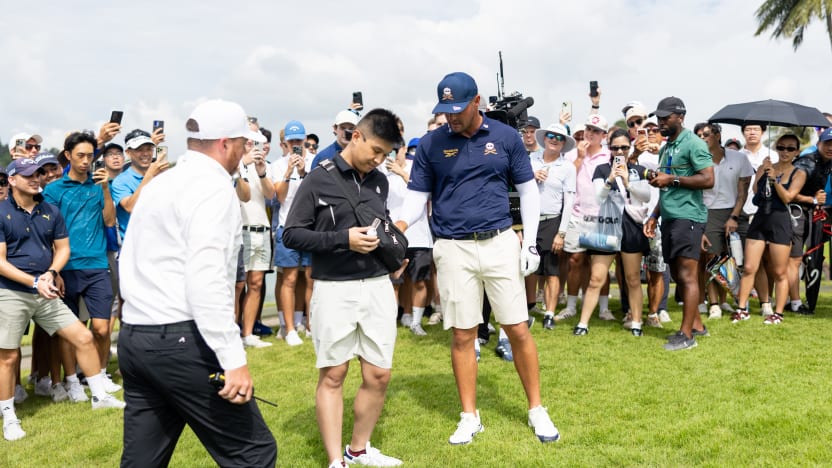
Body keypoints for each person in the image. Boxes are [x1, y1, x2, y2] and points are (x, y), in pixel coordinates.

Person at [396, 72, 559, 445]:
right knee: (462, 334)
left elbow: (528, 191)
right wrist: (400, 225)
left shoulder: (505, 137)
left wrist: (531, 244)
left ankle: (536, 409)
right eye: (446, 110)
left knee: (517, 328)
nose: (451, 117)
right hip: (453, 247)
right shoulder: (432, 143)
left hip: (500, 241)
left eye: (458, 109)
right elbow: (417, 196)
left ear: (476, 102)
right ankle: (469, 416)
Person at [118, 99, 277, 467]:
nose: (245, 150)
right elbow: (206, 278)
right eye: (243, 142)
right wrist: (233, 358)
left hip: (136, 337)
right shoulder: (214, 189)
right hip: (182, 338)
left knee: (142, 460)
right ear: (225, 143)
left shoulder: (161, 183)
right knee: (254, 454)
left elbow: (130, 258)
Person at [283, 108, 405, 468]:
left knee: (379, 374)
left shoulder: (380, 181)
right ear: (356, 137)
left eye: (385, 154)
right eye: (376, 150)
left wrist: (392, 251)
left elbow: (382, 223)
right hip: (334, 287)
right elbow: (292, 234)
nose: (379, 160)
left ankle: (359, 449)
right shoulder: (318, 178)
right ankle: (336, 460)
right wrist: (343, 239)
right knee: (334, 374)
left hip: (378, 284)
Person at [1, 158, 125, 441]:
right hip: (11, 291)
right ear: (12, 180)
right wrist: (35, 281)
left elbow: (63, 249)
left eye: (38, 174)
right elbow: (0, 262)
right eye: (28, 175)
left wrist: (51, 272)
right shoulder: (0, 212)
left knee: (83, 337)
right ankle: (9, 416)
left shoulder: (50, 210)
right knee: (8, 356)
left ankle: (99, 396)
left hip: (45, 288)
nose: (36, 178)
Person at [43, 132, 123, 401]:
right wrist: (54, 270)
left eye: (90, 156)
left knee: (101, 328)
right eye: (80, 155)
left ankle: (98, 375)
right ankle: (72, 382)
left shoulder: (99, 185)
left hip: (98, 264)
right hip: (66, 267)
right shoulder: (54, 190)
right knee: (70, 330)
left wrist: (105, 189)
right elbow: (48, 231)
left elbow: (109, 221)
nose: (86, 161)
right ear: (68, 156)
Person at [643, 97, 714, 351]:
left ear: (680, 117)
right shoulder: (666, 148)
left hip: (688, 216)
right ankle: (697, 326)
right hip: (670, 217)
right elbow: (666, 187)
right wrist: (654, 215)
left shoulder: (693, 143)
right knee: (678, 275)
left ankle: (686, 335)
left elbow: (708, 179)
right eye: (659, 118)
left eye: (666, 117)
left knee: (687, 275)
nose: (661, 122)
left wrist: (671, 179)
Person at [573, 129, 651, 336]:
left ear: (630, 148)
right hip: (606, 226)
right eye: (615, 147)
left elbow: (646, 196)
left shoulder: (638, 170)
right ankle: (582, 323)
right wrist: (610, 179)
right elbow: (599, 197)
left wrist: (627, 183)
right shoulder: (601, 169)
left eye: (624, 147)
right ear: (609, 148)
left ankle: (636, 322)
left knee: (632, 278)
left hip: (631, 227)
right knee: (595, 279)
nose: (620, 151)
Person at [734, 134, 806, 325]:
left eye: (790, 148)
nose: (785, 152)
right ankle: (742, 309)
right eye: (781, 147)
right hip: (760, 219)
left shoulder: (799, 173)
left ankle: (778, 313)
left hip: (780, 221)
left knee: (779, 271)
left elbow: (788, 197)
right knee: (749, 267)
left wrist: (775, 180)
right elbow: (756, 192)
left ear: (796, 152)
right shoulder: (765, 167)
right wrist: (763, 172)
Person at [697, 123, 753, 319]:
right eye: (699, 136)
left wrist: (734, 217)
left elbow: (743, 192)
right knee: (713, 259)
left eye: (706, 135)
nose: (702, 139)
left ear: (717, 135)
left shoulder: (739, 158)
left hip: (735, 210)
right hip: (709, 212)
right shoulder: (696, 159)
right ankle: (714, 304)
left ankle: (737, 299)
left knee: (741, 259)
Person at [530, 123, 576, 330]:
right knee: (527, 268)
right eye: (551, 135)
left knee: (552, 270)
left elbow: (569, 201)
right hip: (529, 220)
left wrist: (561, 233)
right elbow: (517, 185)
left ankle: (549, 313)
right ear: (544, 138)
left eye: (559, 137)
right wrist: (532, 177)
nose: (554, 140)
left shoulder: (568, 167)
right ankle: (527, 307)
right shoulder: (531, 159)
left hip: (552, 221)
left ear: (564, 143)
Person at [273, 120, 313, 346]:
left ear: (305, 140)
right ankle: (289, 329)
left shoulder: (314, 161)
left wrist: (303, 171)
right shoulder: (278, 165)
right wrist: (289, 171)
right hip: (287, 227)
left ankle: (310, 325)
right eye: (291, 141)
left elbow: (316, 192)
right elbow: (279, 196)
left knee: (310, 278)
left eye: (299, 140)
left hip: (310, 228)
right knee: (288, 278)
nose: (295, 145)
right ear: (285, 143)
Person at [111, 129, 170, 239]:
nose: (145, 154)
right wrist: (150, 175)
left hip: (162, 241)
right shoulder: (120, 181)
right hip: (134, 244)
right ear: (128, 152)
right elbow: (130, 207)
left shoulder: (163, 177)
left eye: (149, 149)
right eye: (139, 150)